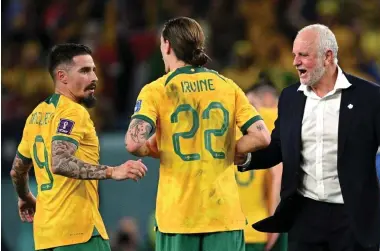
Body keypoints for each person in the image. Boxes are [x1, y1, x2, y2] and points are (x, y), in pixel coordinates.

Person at [235, 24, 380, 251]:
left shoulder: (370, 97)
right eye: (294, 55)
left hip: (353, 219)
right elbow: (279, 148)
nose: (295, 62)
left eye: (303, 55)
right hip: (305, 218)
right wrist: (246, 159)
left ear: (328, 56)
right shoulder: (291, 97)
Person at [124, 16, 271, 251]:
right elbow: (262, 136)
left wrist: (157, 147)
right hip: (224, 214)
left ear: (167, 45)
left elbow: (133, 143)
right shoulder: (227, 85)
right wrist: (227, 150)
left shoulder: (157, 90)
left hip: (178, 218)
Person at [10, 43, 148, 251]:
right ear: (62, 76)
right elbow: (60, 162)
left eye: (93, 69)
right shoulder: (74, 112)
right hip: (79, 235)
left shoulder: (36, 116)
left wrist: (25, 196)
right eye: (84, 71)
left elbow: (17, 171)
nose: (94, 78)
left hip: (45, 238)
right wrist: (113, 171)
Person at [234, 84, 285, 251]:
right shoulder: (269, 119)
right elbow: (276, 176)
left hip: (230, 226)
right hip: (265, 221)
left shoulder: (227, 126)